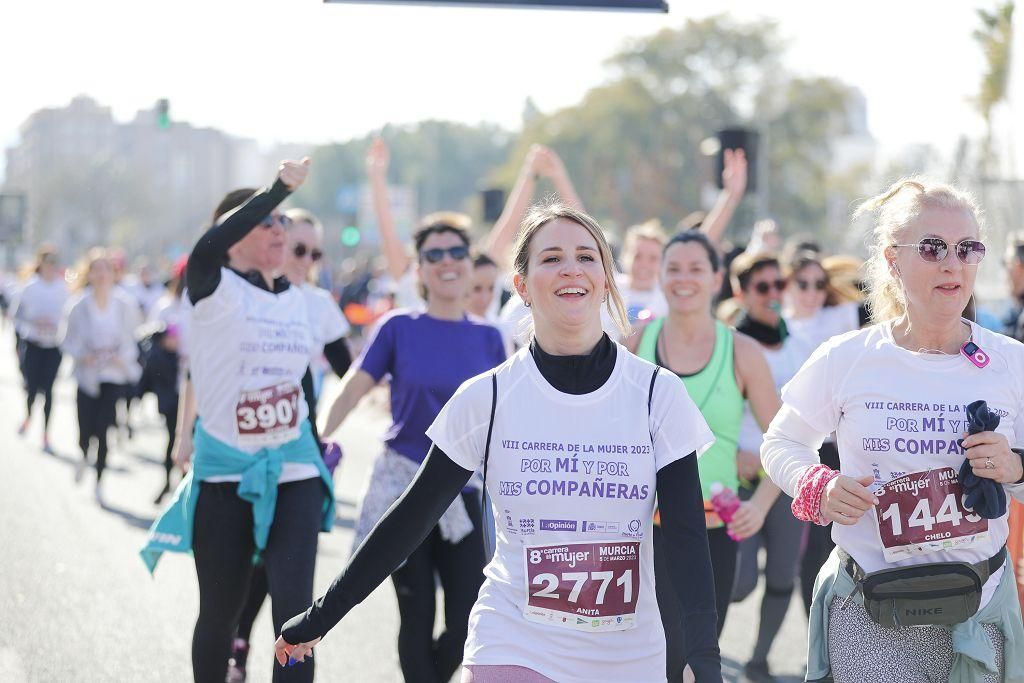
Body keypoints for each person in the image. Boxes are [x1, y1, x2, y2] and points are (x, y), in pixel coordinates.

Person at [276, 203, 722, 683]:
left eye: (586, 257)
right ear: (523, 285)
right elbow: (411, 517)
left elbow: (686, 538)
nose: (571, 268)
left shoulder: (658, 394)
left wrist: (704, 658)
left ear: (607, 280)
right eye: (551, 258)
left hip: (626, 657)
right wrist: (320, 616)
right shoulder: (486, 397)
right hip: (514, 643)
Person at [761, 177, 1024, 682]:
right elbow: (783, 441)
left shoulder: (1009, 363)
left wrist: (1013, 465)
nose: (953, 263)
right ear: (892, 259)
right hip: (872, 612)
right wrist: (817, 484)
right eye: (933, 248)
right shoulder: (848, 359)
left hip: (977, 611)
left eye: (968, 248)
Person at [140, 159, 335, 683]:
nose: (280, 229)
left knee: (297, 620)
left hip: (293, 471)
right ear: (232, 236)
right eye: (265, 221)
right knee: (220, 614)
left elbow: (334, 376)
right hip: (225, 473)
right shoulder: (212, 288)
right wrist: (278, 189)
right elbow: (205, 250)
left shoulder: (305, 303)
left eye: (282, 221)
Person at [304, 216, 505, 683]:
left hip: (464, 493)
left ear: (469, 262)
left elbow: (508, 416)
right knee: (414, 617)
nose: (447, 262)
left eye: (456, 251)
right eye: (433, 255)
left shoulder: (490, 337)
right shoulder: (398, 328)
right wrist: (319, 435)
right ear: (419, 269)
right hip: (402, 489)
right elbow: (356, 386)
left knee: (464, 623)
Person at [626, 230, 781, 641]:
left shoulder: (743, 352)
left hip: (713, 532)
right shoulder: (634, 342)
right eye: (673, 268)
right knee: (652, 661)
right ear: (659, 277)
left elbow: (788, 443)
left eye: (696, 269)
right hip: (640, 532)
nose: (683, 278)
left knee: (698, 659)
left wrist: (761, 505)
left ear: (717, 279)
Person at [226, 206, 353, 683]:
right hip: (240, 455)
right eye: (298, 248)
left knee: (291, 581)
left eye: (314, 252)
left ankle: (270, 654)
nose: (304, 259)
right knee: (250, 567)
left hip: (300, 454)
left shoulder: (319, 303)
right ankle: (236, 642)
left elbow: (352, 372)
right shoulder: (241, 293)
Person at [726, 251, 813, 683]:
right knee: (737, 582)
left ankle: (758, 661)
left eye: (780, 285)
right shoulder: (728, 345)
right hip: (738, 480)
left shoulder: (798, 345)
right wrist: (731, 457)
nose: (774, 294)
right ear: (741, 293)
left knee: (783, 575)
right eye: (763, 287)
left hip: (786, 481)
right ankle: (708, 653)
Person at [61, 248, 142, 501]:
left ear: (113, 273)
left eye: (106, 269)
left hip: (114, 373)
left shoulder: (125, 304)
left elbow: (134, 337)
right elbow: (66, 340)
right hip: (87, 374)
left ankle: (99, 480)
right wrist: (83, 356)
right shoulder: (78, 305)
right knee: (86, 427)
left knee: (104, 426)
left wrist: (122, 357)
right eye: (96, 269)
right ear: (89, 273)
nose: (102, 274)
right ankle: (84, 452)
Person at [13, 245, 68, 453]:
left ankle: (46, 434)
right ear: (41, 263)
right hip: (33, 343)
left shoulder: (62, 287)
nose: (51, 266)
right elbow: (16, 314)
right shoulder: (30, 286)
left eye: (54, 262)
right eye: (47, 261)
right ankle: (28, 416)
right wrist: (36, 322)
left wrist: (57, 325)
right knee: (31, 388)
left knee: (49, 390)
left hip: (53, 346)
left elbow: (68, 316)